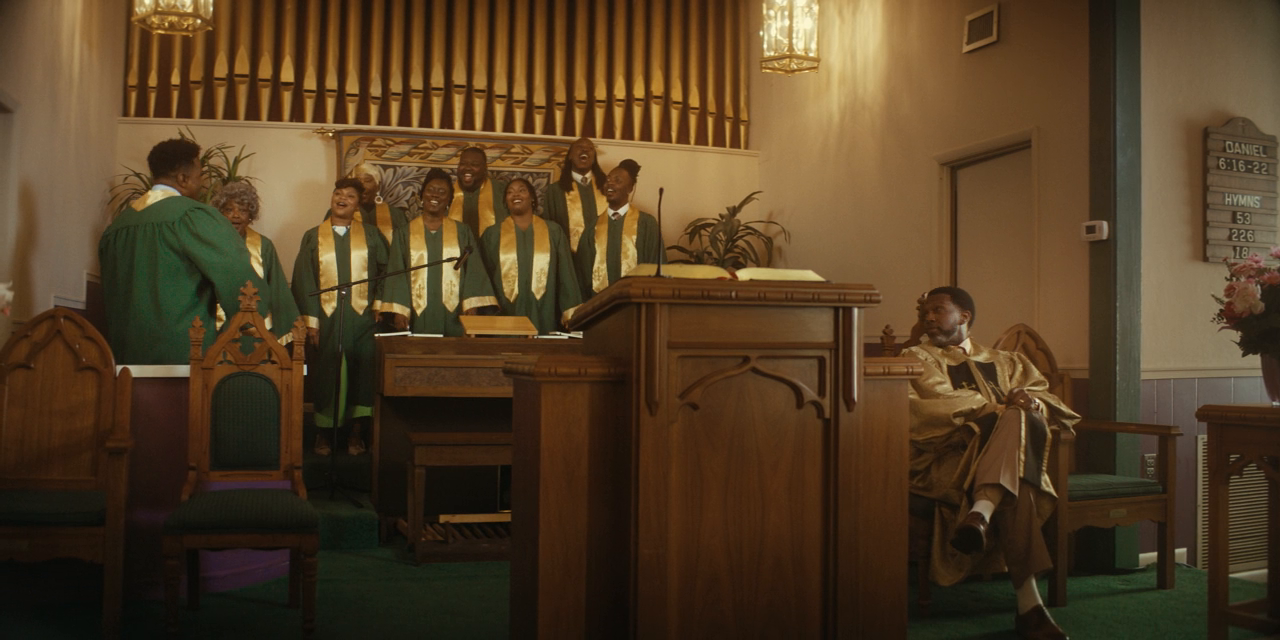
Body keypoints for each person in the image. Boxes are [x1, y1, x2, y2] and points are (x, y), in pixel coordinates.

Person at [903, 286, 1078, 640]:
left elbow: (1046, 397)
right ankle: (1028, 605)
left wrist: (1031, 400)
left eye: (938, 311)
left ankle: (980, 514)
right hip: (951, 458)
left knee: (1020, 416)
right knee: (1017, 468)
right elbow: (931, 406)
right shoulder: (917, 357)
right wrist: (1001, 408)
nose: (928, 318)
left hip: (1000, 462)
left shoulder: (1007, 360)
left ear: (964, 316)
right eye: (925, 313)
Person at [99, 138, 265, 364]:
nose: (202, 183)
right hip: (184, 358)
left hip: (124, 359)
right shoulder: (193, 217)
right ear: (183, 179)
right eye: (200, 175)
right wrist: (247, 328)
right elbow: (240, 281)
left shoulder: (117, 227)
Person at [292, 178, 390, 456]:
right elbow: (304, 279)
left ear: (358, 204)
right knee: (327, 375)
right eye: (338, 193)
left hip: (363, 319)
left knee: (362, 374)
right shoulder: (313, 236)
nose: (342, 198)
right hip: (328, 319)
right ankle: (324, 434)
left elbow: (386, 271)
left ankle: (356, 434)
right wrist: (312, 322)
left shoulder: (371, 235)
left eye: (350, 195)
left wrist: (378, 304)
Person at [380, 168, 498, 336]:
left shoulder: (462, 232)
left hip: (456, 313)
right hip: (416, 313)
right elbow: (397, 271)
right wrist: (400, 310)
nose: (435, 195)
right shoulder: (404, 233)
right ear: (421, 195)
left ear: (449, 199)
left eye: (442, 192)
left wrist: (472, 303)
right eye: (430, 190)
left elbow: (474, 269)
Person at [478, 178, 582, 334]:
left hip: (545, 314)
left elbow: (566, 275)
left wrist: (570, 312)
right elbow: (483, 279)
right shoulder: (492, 235)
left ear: (532, 197)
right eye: (510, 192)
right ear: (505, 201)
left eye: (522, 190)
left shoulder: (553, 231)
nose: (516, 194)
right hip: (504, 317)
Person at [210, 181, 300, 340]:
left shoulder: (264, 246)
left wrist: (287, 327)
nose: (236, 215)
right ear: (220, 213)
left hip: (259, 330)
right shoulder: (209, 244)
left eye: (243, 210)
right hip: (218, 327)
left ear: (251, 215)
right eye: (229, 210)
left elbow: (278, 288)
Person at [573, 158, 664, 298]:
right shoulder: (593, 228)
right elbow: (582, 275)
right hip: (599, 305)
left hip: (637, 303)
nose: (610, 183)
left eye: (618, 180)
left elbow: (656, 267)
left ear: (630, 188)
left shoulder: (646, 224)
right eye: (608, 179)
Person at [543, 137, 608, 252]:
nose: (585, 150)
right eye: (579, 147)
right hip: (569, 257)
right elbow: (549, 230)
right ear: (570, 156)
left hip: (603, 254)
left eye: (590, 148)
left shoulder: (607, 187)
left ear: (594, 158)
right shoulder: (555, 191)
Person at [450, 147, 508, 239]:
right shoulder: (446, 193)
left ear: (485, 169)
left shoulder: (502, 191)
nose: (467, 168)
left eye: (475, 164)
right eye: (463, 163)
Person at [344, 162, 408, 245]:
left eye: (367, 181)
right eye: (358, 181)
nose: (362, 186)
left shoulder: (396, 215)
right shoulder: (342, 213)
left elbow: (404, 246)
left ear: (378, 186)